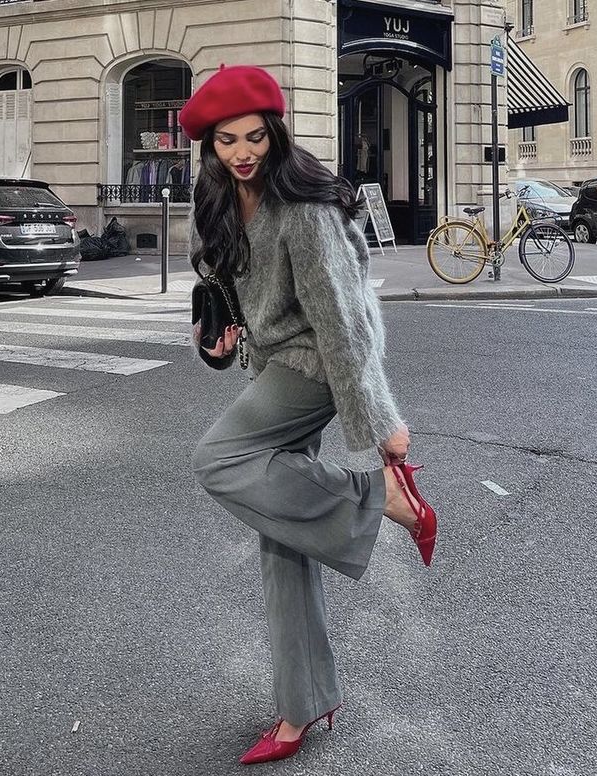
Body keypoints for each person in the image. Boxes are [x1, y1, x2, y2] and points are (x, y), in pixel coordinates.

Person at [180, 65, 437, 766]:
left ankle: (377, 497)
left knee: (218, 460)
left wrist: (380, 422)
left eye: (254, 137)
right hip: (274, 362)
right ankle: (303, 705)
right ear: (209, 145)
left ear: (275, 134)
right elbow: (225, 295)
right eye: (227, 139)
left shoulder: (304, 207)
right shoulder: (221, 197)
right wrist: (218, 336)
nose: (242, 152)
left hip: (316, 369)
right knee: (282, 536)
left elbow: (342, 321)